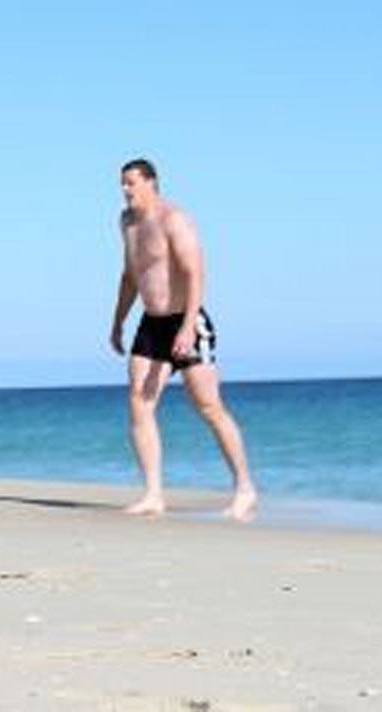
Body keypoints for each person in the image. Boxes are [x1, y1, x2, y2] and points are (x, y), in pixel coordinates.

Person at [108, 159, 257, 520]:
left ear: (151, 183)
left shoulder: (174, 219)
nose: (125, 190)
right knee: (139, 403)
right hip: (151, 323)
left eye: (131, 183)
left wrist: (189, 326)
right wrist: (117, 323)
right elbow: (130, 276)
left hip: (186, 320)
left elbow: (195, 273)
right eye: (122, 184)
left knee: (208, 406)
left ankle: (244, 488)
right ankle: (153, 494)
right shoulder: (126, 223)